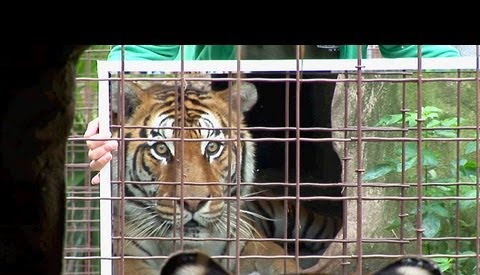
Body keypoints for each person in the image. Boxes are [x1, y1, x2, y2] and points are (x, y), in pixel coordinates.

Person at [86, 44, 461, 185]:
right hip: (224, 119)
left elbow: (437, 57)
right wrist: (112, 120)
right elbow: (136, 56)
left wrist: (464, 99)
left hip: (327, 123)